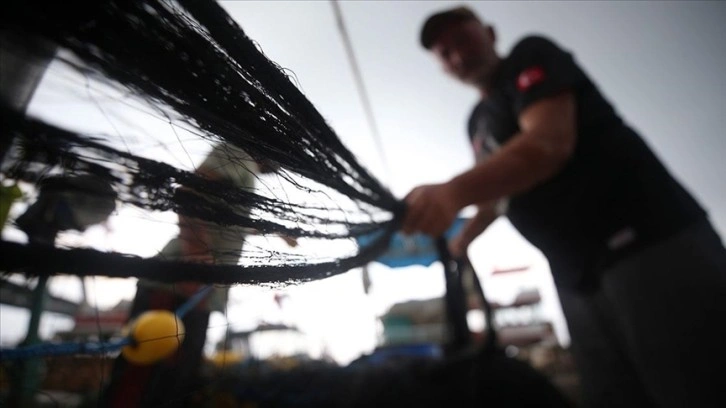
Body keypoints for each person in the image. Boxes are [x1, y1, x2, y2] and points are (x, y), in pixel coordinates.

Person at [402, 6, 726, 408]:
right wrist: (462, 238)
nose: (457, 55)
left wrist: (450, 193)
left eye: (462, 40)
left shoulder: (531, 55)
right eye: (444, 53)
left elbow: (547, 145)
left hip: (649, 246)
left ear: (489, 31)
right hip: (576, 278)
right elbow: (497, 194)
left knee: (697, 385)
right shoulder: (477, 122)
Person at [103, 143, 296, 407]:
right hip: (175, 287)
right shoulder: (236, 151)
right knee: (142, 381)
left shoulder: (247, 170)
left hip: (202, 291)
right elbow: (188, 192)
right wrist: (195, 259)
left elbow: (227, 223)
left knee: (177, 380)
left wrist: (274, 231)